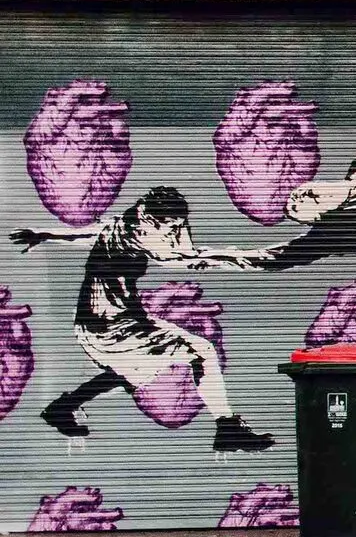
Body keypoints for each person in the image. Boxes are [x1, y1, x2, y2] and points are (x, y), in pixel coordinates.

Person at [13, 185, 280, 452]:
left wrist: (44, 234)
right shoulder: (140, 234)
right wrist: (245, 258)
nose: (174, 230)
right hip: (111, 324)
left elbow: (87, 234)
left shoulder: (121, 224)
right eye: (171, 225)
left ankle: (62, 407)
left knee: (133, 371)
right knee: (201, 352)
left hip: (107, 319)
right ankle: (227, 428)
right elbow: (179, 258)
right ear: (151, 219)